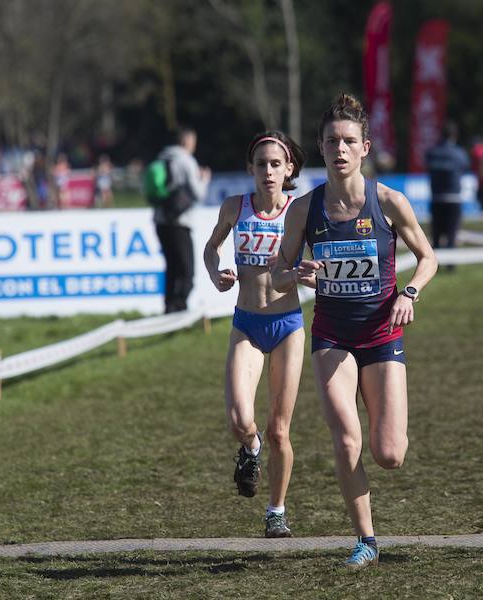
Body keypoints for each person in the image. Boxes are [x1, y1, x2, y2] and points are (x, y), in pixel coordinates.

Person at [272, 93, 437, 569]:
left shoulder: (388, 201)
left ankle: (384, 431)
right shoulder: (305, 209)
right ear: (321, 150)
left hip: (382, 336)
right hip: (332, 337)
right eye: (330, 142)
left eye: (348, 141)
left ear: (365, 147)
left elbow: (428, 258)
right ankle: (366, 539)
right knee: (346, 439)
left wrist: (409, 294)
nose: (339, 150)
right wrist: (296, 273)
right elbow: (278, 272)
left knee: (389, 454)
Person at [203, 130, 306, 538]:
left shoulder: (298, 212)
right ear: (250, 168)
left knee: (281, 428)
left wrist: (308, 275)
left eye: (276, 164)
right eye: (261, 164)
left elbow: (317, 262)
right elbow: (211, 248)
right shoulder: (234, 208)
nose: (268, 171)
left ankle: (276, 511)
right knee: (238, 420)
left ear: (289, 169)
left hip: (287, 326)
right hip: (246, 322)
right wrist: (215, 273)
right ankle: (250, 448)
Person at [154, 126, 211, 313]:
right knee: (187, 270)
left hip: (160, 220)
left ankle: (168, 306)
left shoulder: (163, 157)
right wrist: (204, 179)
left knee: (171, 267)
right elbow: (198, 193)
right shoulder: (186, 161)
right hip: (180, 222)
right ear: (187, 141)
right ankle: (179, 308)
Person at [425, 121, 470, 263]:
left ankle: (435, 264)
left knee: (436, 235)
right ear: (455, 135)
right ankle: (451, 263)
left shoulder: (432, 152)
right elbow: (465, 168)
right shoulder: (460, 153)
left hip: (436, 197)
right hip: (454, 197)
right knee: (452, 233)